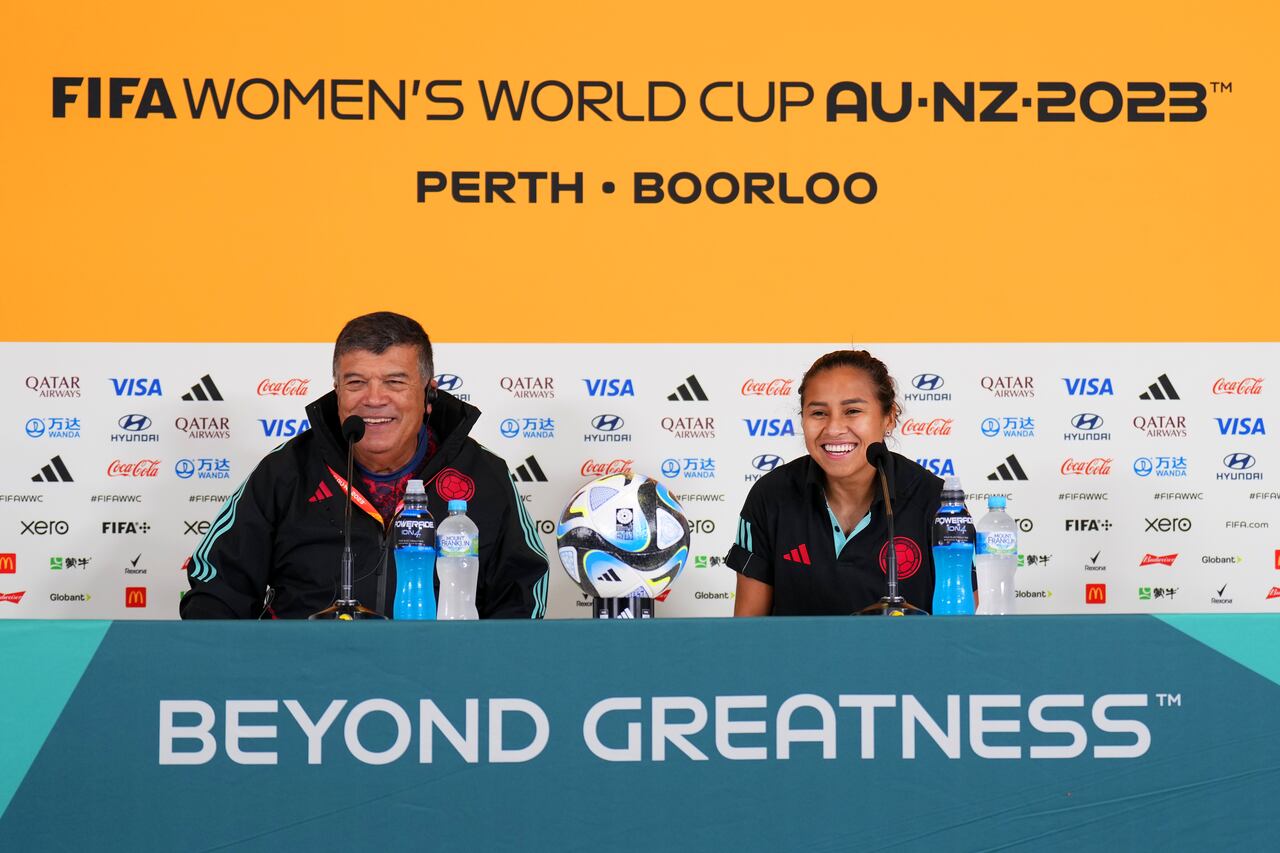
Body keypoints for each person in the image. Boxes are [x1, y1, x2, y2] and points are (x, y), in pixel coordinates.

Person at [179, 312, 550, 619]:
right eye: (356, 382)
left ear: (428, 394)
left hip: (445, 684)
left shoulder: (482, 474)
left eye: (394, 381)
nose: (374, 399)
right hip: (303, 682)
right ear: (337, 391)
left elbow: (523, 594)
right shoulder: (285, 471)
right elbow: (215, 588)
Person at [726, 350, 945, 615]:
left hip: (904, 658)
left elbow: (963, 633)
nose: (833, 429)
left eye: (852, 411)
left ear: (888, 416)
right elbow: (748, 632)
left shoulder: (936, 501)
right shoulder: (771, 495)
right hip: (794, 658)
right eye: (818, 413)